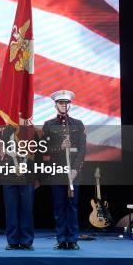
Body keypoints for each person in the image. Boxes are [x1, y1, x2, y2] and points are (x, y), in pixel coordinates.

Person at [42, 90, 86, 250]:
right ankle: (61, 239)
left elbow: (82, 149)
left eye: (66, 103)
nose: (64, 105)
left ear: (70, 105)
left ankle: (72, 239)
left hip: (73, 171)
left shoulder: (77, 124)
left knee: (72, 206)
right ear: (55, 105)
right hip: (57, 170)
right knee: (59, 206)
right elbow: (44, 149)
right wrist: (60, 148)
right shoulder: (49, 125)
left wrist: (75, 169)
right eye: (61, 103)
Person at [2, 118, 37, 251]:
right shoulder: (6, 131)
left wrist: (37, 177)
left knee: (26, 209)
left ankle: (26, 241)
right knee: (11, 208)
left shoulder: (31, 131)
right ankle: (12, 241)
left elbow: (37, 154)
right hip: (10, 174)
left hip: (27, 175)